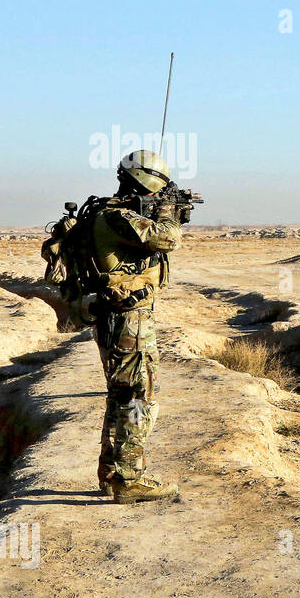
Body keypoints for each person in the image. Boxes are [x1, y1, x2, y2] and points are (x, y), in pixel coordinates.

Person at [87, 150, 182, 503]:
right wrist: (168, 212)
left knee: (121, 397)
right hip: (129, 320)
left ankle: (112, 473)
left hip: (119, 317)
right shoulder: (117, 216)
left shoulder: (109, 213)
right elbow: (166, 239)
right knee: (137, 397)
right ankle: (130, 478)